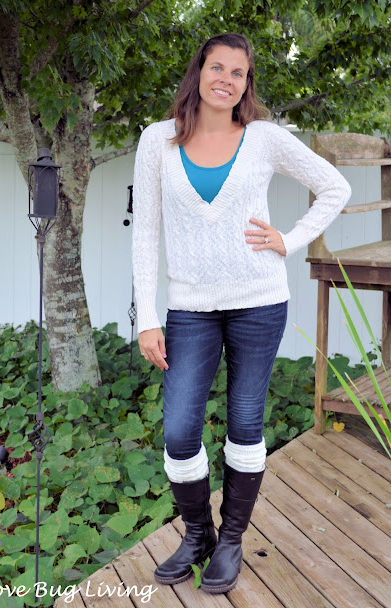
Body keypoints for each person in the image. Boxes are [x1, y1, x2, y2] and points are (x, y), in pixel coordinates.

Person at [131, 32, 351, 594]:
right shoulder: (158, 140)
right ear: (199, 71)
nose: (226, 80)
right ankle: (197, 533)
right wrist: (146, 317)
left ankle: (231, 540)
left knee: (246, 423)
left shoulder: (264, 138)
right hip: (190, 309)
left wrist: (289, 239)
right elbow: (145, 235)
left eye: (238, 72)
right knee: (180, 429)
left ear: (247, 83)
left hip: (259, 302)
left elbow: (335, 186)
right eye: (217, 68)